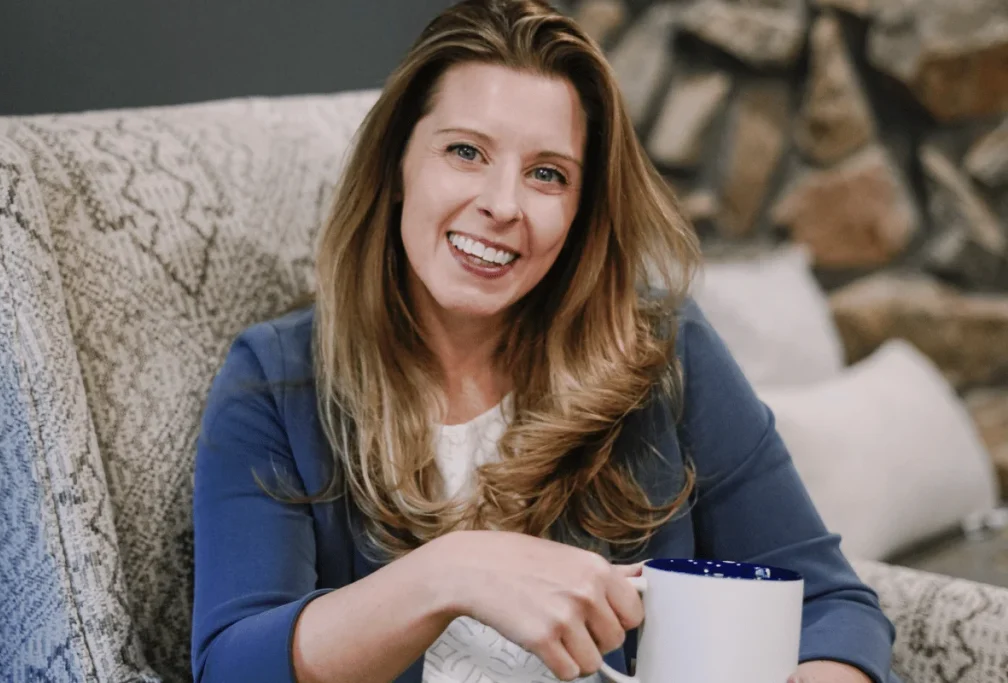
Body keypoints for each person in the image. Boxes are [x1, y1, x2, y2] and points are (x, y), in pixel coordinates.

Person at [190, 1, 900, 682]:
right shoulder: (277, 380)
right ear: (397, 167)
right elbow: (234, 666)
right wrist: (452, 571)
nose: (503, 204)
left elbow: (831, 603)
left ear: (580, 210)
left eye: (546, 174)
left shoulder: (662, 348)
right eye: (465, 152)